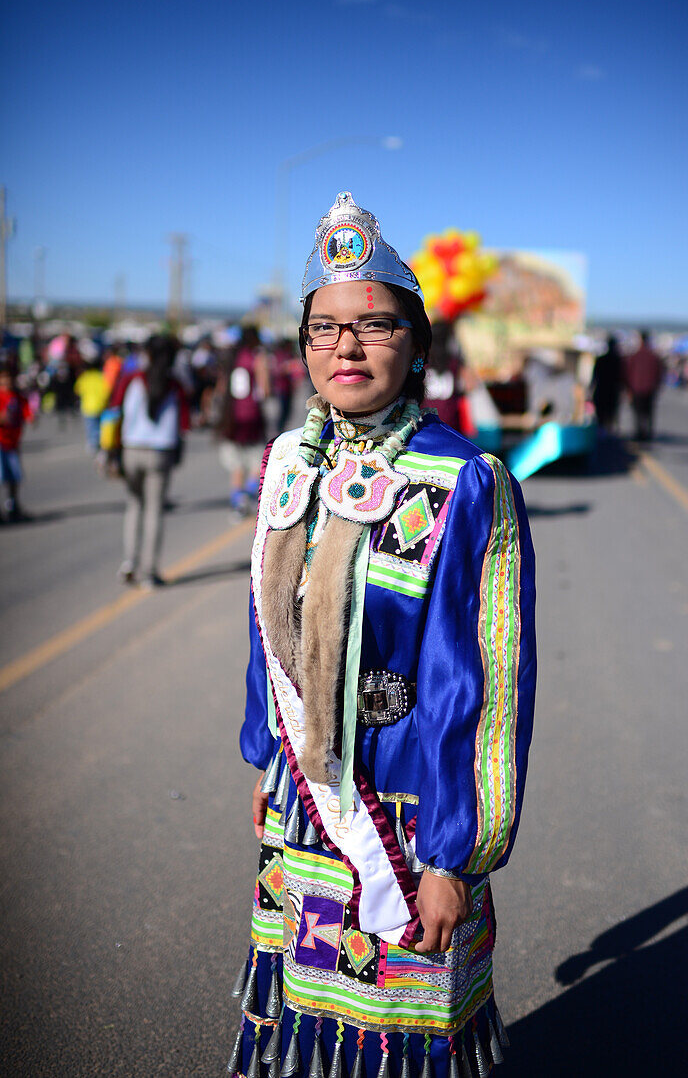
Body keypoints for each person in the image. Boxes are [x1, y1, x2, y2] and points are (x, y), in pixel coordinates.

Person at [226, 193, 536, 1078]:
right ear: (302, 345)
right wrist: (266, 755)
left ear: (417, 344)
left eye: (374, 326)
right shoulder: (289, 462)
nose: (346, 348)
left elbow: (488, 681)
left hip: (405, 820)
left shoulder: (467, 483)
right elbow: (266, 630)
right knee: (307, 1020)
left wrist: (454, 855)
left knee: (400, 1036)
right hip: (304, 803)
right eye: (323, 329)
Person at [107, 333, 189, 588]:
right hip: (161, 452)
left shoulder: (132, 378)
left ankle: (129, 563)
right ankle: (149, 573)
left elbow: (112, 410)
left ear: (148, 354)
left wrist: (109, 450)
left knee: (134, 505)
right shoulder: (175, 384)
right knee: (154, 510)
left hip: (131, 449)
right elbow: (184, 423)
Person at [216, 325, 270, 520]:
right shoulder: (257, 357)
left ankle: (237, 504)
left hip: (231, 416)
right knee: (256, 460)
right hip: (252, 415)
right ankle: (248, 494)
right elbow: (265, 390)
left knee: (236, 464)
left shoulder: (231, 357)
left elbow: (221, 389)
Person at [0, 354, 33, 522]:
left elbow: (27, 410)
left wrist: (31, 416)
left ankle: (13, 505)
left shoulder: (17, 397)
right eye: (3, 378)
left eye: (9, 377)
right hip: (1, 442)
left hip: (13, 443)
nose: (7, 381)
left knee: (14, 477)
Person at [624, 329, 664, 441]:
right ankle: (648, 433)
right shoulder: (654, 357)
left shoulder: (635, 356)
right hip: (650, 389)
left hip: (636, 388)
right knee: (649, 413)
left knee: (638, 413)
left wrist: (628, 388)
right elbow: (659, 373)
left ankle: (639, 432)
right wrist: (657, 386)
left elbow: (628, 373)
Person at [74, 344, 110, 457]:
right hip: (100, 405)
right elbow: (107, 390)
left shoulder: (84, 377)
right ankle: (100, 444)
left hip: (88, 407)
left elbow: (77, 390)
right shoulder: (101, 376)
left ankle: (93, 445)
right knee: (99, 427)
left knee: (91, 427)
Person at [591, 334, 624, 432]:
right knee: (610, 417)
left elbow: (594, 378)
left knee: (601, 417)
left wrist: (590, 390)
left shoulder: (600, 359)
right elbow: (621, 379)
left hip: (601, 391)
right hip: (612, 393)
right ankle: (607, 436)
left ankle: (601, 436)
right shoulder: (618, 361)